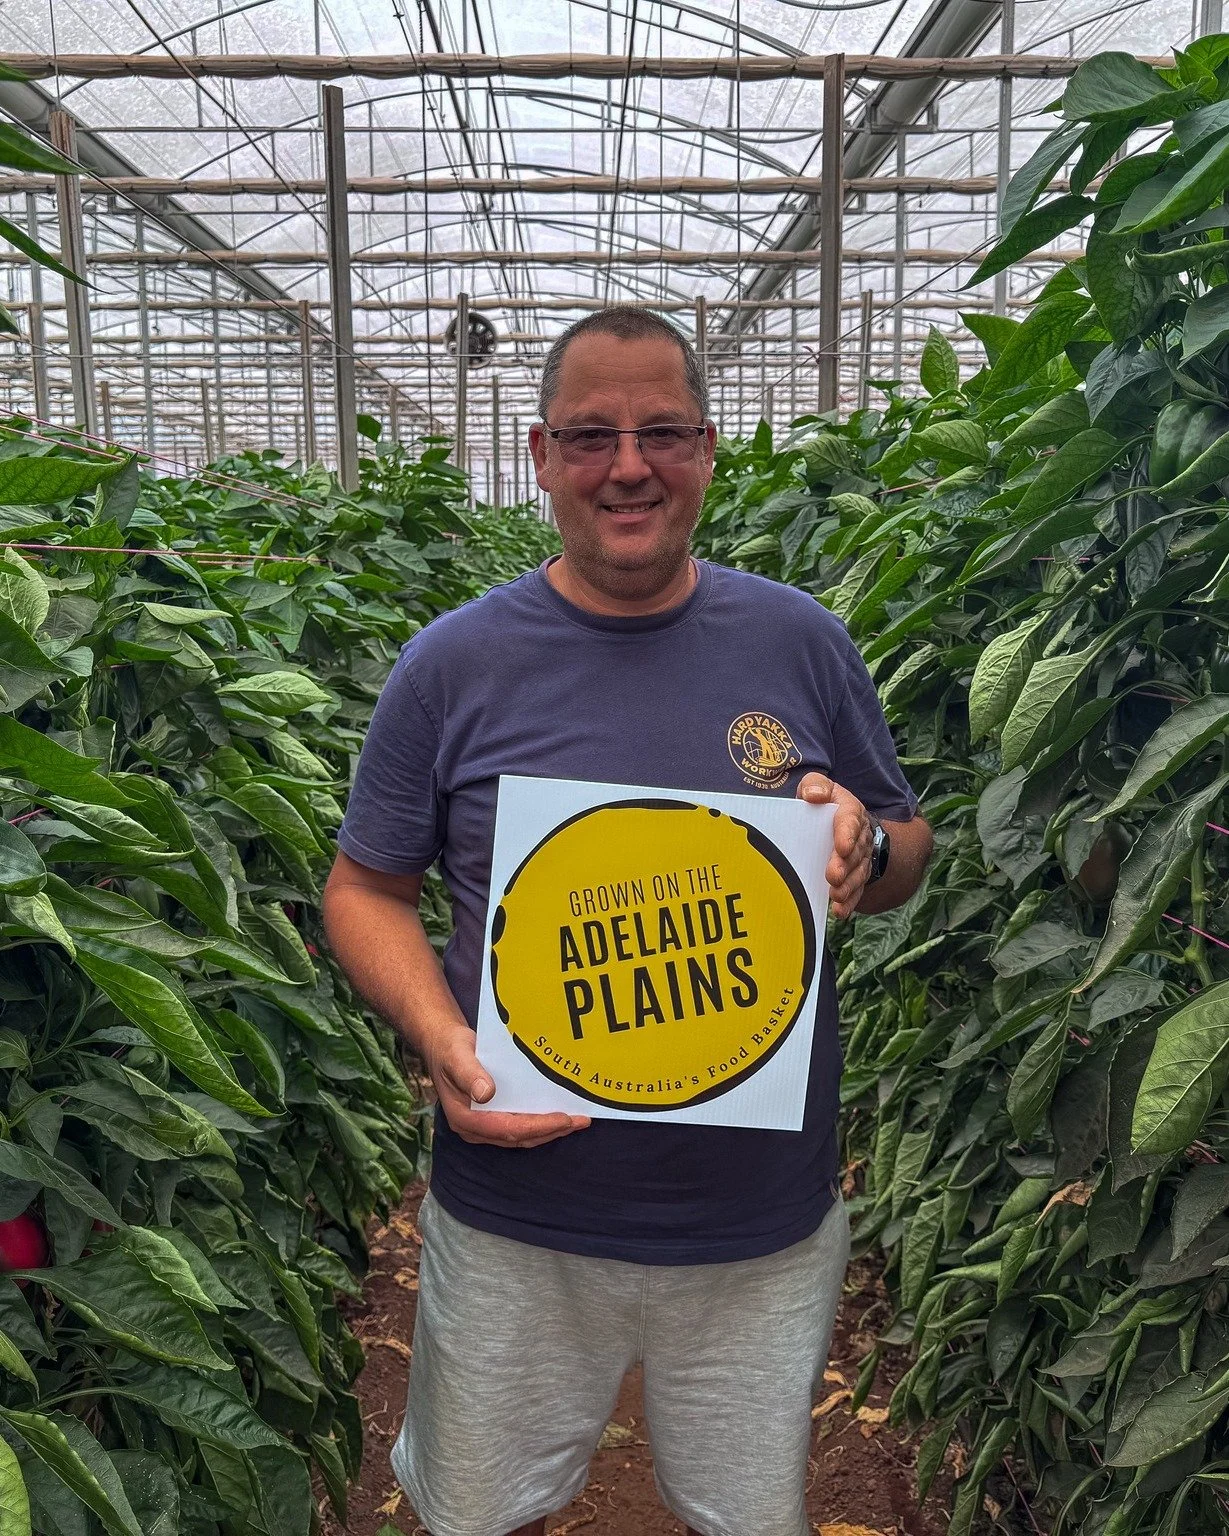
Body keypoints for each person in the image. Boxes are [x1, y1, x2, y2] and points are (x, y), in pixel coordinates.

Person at [322, 305, 934, 1536]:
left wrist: (866, 849)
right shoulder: (452, 664)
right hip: (517, 1212)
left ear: (707, 449)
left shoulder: (798, 642)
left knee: (747, 1516)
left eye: (661, 432)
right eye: (590, 436)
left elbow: (907, 841)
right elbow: (364, 888)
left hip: (756, 1215)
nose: (628, 467)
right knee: (482, 1512)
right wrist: (441, 1035)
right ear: (541, 456)